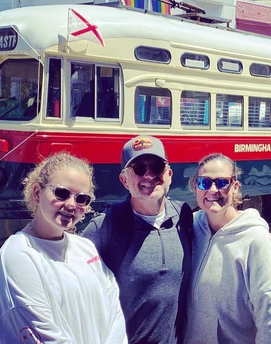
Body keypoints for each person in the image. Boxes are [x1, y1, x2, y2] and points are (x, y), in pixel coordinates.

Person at [0, 152, 127, 344]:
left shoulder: (85, 248)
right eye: (61, 193)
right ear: (37, 193)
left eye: (81, 199)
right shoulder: (18, 256)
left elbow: (114, 317)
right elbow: (43, 336)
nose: (71, 204)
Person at [82, 135, 192, 344]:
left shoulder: (183, 216)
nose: (149, 175)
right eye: (139, 168)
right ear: (124, 180)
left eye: (157, 167)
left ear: (169, 175)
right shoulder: (106, 226)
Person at [184, 153, 271, 344]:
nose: (213, 190)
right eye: (204, 183)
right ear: (195, 187)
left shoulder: (256, 240)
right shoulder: (191, 227)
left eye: (222, 182)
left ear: (235, 187)